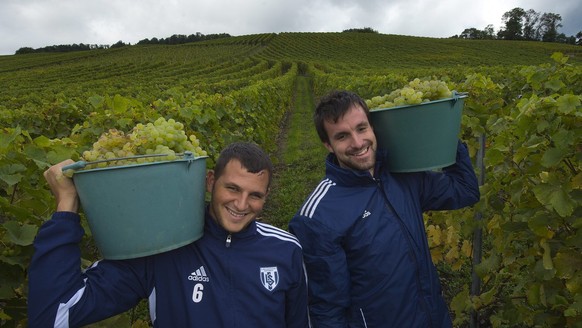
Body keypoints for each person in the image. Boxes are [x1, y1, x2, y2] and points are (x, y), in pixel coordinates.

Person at [28, 141, 311, 327]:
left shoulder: (286, 250)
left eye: (255, 195)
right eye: (233, 188)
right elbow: (53, 315)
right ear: (210, 181)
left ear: (267, 196)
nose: (240, 205)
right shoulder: (161, 248)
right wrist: (66, 210)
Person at [288, 90, 480, 327]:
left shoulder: (403, 176)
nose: (357, 143)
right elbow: (325, 309)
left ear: (373, 127)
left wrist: (443, 131)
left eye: (361, 128)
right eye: (342, 136)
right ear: (327, 144)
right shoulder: (318, 217)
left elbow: (465, 190)